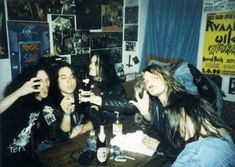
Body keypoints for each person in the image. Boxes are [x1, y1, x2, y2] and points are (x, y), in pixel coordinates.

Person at [0, 60, 58, 167]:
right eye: (39, 80)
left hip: (27, 159)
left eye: (47, 80)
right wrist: (19, 92)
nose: (45, 84)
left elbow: (44, 134)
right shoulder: (19, 103)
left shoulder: (42, 104)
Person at [164, 94, 235, 167]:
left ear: (185, 112)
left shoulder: (197, 153)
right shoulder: (226, 133)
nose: (178, 131)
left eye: (177, 122)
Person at [79, 53, 136, 129]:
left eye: (95, 63)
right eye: (91, 62)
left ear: (104, 67)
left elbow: (122, 113)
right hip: (97, 126)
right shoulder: (88, 84)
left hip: (115, 127)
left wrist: (99, 103)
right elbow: (89, 115)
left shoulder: (115, 87)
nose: (90, 66)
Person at [49, 62, 93, 141]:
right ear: (56, 81)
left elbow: (98, 119)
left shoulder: (81, 96)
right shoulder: (49, 106)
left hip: (79, 142)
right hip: (56, 150)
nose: (69, 81)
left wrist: (82, 128)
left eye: (72, 77)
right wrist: (66, 114)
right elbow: (61, 138)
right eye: (63, 78)